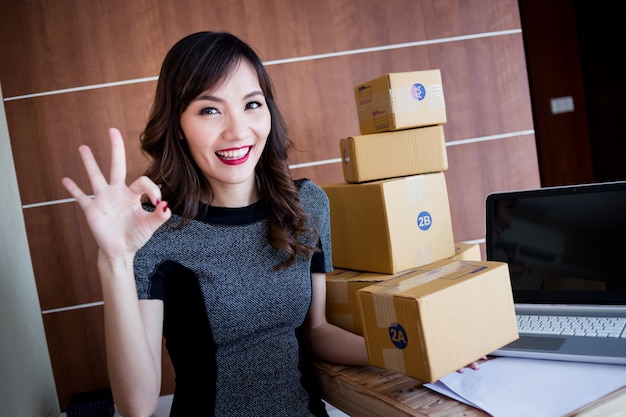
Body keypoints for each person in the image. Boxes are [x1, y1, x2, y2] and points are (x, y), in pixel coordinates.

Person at [62, 31, 482, 417]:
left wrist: (417, 353)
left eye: (251, 104)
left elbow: (317, 332)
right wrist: (115, 260)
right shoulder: (155, 231)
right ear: (177, 125)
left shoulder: (306, 205)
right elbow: (135, 405)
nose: (238, 130)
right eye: (209, 109)